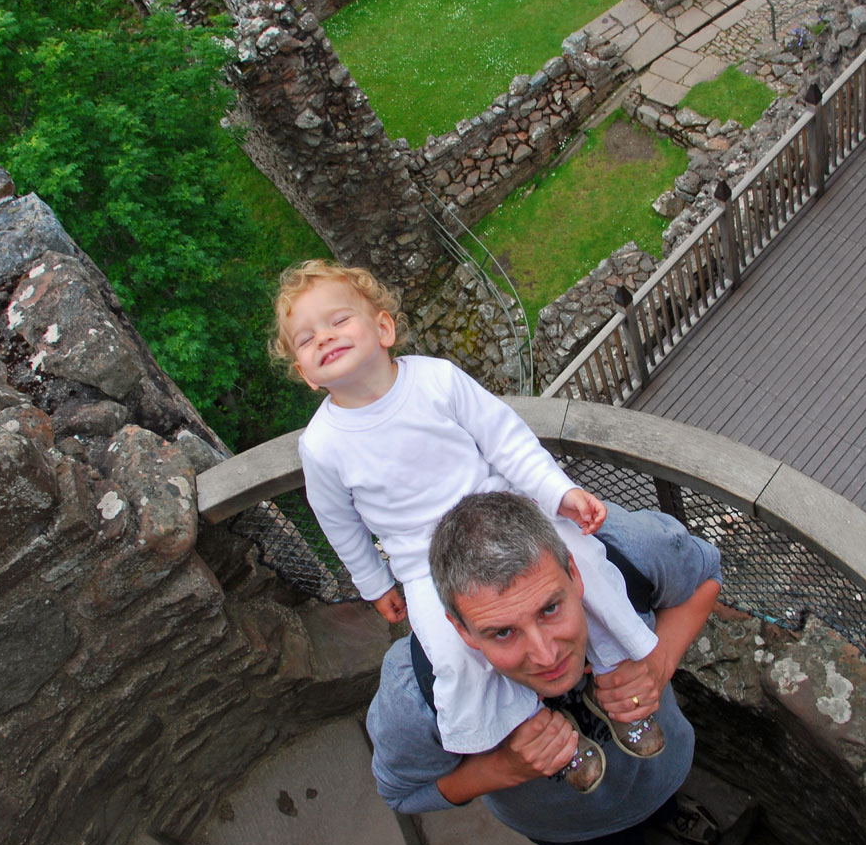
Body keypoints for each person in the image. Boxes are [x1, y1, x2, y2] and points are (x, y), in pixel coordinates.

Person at [272, 260, 666, 779]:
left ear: (383, 328)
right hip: (425, 565)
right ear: (306, 374)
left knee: (587, 568)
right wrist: (375, 583)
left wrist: (559, 493)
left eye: (338, 320)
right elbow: (338, 523)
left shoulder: (436, 381)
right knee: (453, 654)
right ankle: (535, 731)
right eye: (306, 339)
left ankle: (619, 680)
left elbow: (507, 441)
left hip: (508, 521)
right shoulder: (322, 446)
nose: (324, 337)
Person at [367, 491, 722, 845]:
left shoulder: (626, 552)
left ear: (575, 572)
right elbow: (401, 793)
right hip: (570, 826)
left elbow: (704, 574)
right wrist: (505, 768)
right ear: (460, 630)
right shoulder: (417, 691)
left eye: (550, 608)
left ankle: (665, 811)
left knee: (661, 801)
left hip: (660, 770)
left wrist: (657, 664)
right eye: (502, 632)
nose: (546, 655)